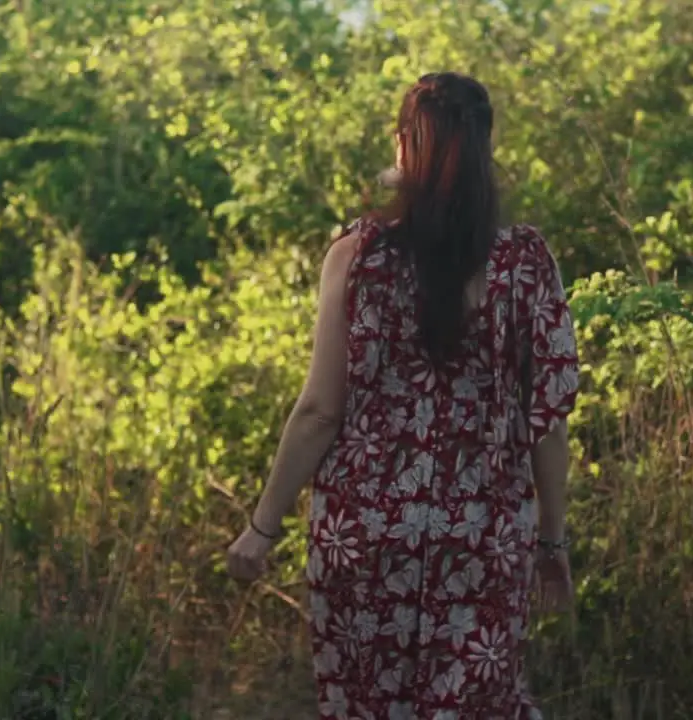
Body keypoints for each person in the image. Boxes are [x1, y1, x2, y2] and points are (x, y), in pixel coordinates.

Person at [227, 72, 580, 719]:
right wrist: (552, 546)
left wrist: (261, 528)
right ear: (484, 151)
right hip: (483, 537)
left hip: (366, 535)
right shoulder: (526, 263)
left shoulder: (359, 255)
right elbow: (548, 423)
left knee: (371, 705)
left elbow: (319, 411)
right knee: (480, 704)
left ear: (402, 147)